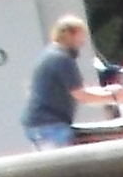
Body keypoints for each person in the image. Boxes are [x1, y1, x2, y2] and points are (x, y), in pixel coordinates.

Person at [21, 15, 94, 147]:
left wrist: (106, 92)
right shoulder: (62, 59)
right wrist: (115, 96)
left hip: (37, 124)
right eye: (80, 37)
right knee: (64, 160)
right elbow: (81, 95)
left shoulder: (48, 55)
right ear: (68, 34)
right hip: (50, 126)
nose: (82, 42)